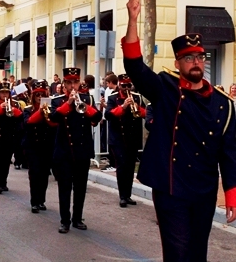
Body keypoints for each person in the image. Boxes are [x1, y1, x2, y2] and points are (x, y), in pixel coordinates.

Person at [122, 0, 236, 262]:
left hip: (203, 190)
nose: (196, 63)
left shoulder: (222, 103)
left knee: (198, 258)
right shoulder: (165, 87)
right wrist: (133, 18)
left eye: (200, 57)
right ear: (178, 62)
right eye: (189, 58)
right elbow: (134, 67)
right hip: (171, 189)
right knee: (177, 255)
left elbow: (228, 151)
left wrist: (233, 194)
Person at [49, 67, 102, 233]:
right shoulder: (57, 100)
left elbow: (97, 118)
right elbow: (54, 118)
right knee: (64, 187)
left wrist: (84, 106)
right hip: (64, 151)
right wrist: (69, 103)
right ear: (64, 84)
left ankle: (77, 218)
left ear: (80, 83)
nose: (73, 86)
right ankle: (65, 220)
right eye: (69, 82)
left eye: (76, 82)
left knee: (80, 187)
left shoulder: (88, 99)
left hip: (82, 151)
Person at [104, 74, 146, 207]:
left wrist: (137, 108)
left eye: (129, 85)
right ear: (119, 85)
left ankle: (128, 195)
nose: (126, 88)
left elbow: (146, 113)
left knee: (130, 167)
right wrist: (122, 107)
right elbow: (108, 115)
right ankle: (122, 196)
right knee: (121, 166)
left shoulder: (137, 97)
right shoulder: (112, 97)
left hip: (132, 138)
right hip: (118, 138)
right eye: (124, 86)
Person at [22, 82, 55, 212]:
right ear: (33, 96)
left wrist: (47, 113)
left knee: (44, 174)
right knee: (34, 173)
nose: (40, 97)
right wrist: (40, 112)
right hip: (32, 146)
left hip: (46, 145)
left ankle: (41, 200)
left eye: (42, 95)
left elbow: (54, 125)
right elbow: (27, 123)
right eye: (37, 95)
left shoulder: (51, 109)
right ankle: (34, 201)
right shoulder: (28, 110)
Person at [0, 81, 22, 193]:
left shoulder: (16, 104)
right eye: (2, 93)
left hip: (9, 137)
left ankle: (3, 182)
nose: (4, 95)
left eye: (6, 93)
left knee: (6, 161)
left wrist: (15, 111)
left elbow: (20, 120)